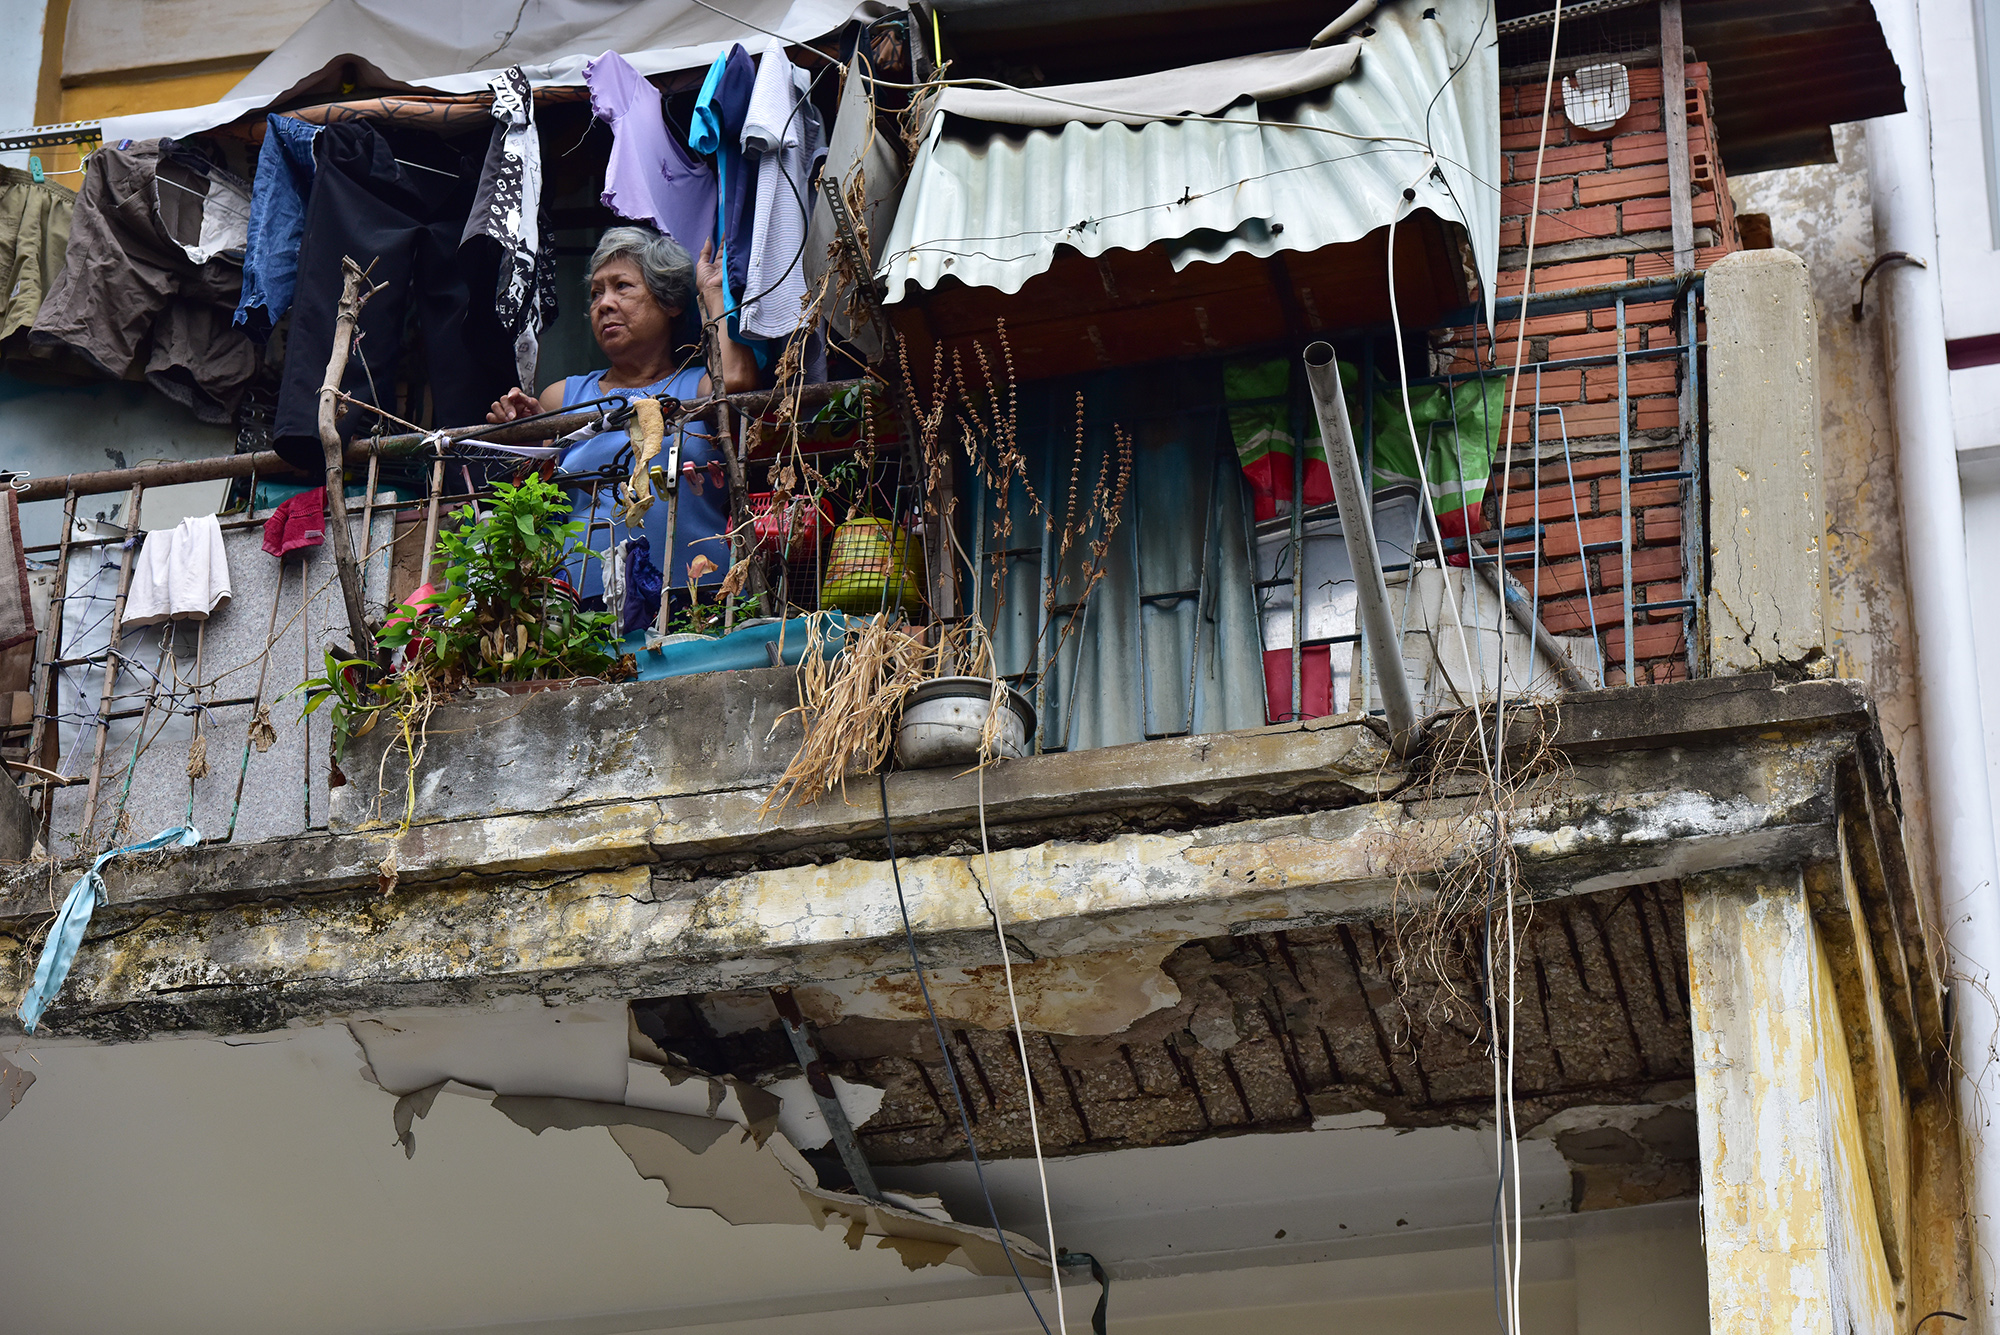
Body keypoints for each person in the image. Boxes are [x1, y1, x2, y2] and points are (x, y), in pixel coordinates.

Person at [485, 225, 759, 608]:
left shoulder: (697, 385)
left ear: (669, 302)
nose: (603, 304)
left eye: (622, 287)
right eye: (596, 292)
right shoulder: (563, 396)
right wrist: (527, 438)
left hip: (695, 595)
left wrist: (712, 294)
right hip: (581, 607)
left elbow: (735, 381)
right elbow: (533, 500)